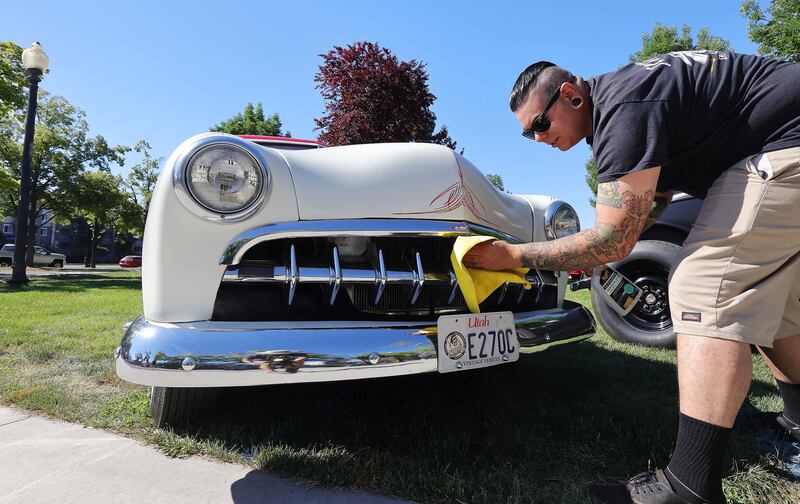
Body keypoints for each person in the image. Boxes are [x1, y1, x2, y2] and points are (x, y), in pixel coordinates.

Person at [463, 51, 800, 504]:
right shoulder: (631, 96)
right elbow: (653, 200)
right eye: (528, 134)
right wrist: (619, 237)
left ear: (571, 96)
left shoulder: (623, 109)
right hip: (779, 141)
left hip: (784, 143)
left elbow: (611, 240)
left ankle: (688, 488)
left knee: (703, 288)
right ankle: (796, 425)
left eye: (540, 124)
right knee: (774, 304)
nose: (538, 138)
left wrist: (512, 256)